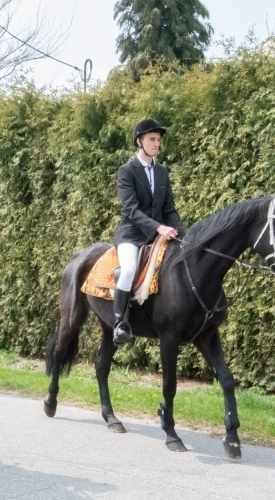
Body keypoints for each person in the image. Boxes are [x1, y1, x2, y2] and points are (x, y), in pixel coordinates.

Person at [112, 119, 186, 345]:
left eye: (159, 140)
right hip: (131, 235)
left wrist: (183, 233)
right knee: (129, 269)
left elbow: (169, 209)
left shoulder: (162, 171)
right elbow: (131, 210)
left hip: (157, 237)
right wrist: (158, 227)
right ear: (139, 141)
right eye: (152, 139)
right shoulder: (126, 171)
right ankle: (119, 324)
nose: (157, 144)